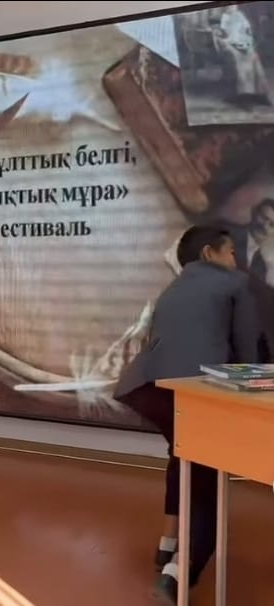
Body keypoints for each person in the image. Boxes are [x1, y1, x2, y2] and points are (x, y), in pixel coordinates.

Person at [114, 224, 260, 603]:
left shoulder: (173, 288)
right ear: (210, 252)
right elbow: (248, 359)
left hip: (147, 390)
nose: (237, 261)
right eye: (232, 253)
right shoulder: (236, 284)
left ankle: (167, 544)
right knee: (208, 483)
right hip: (193, 392)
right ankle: (177, 575)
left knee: (182, 455)